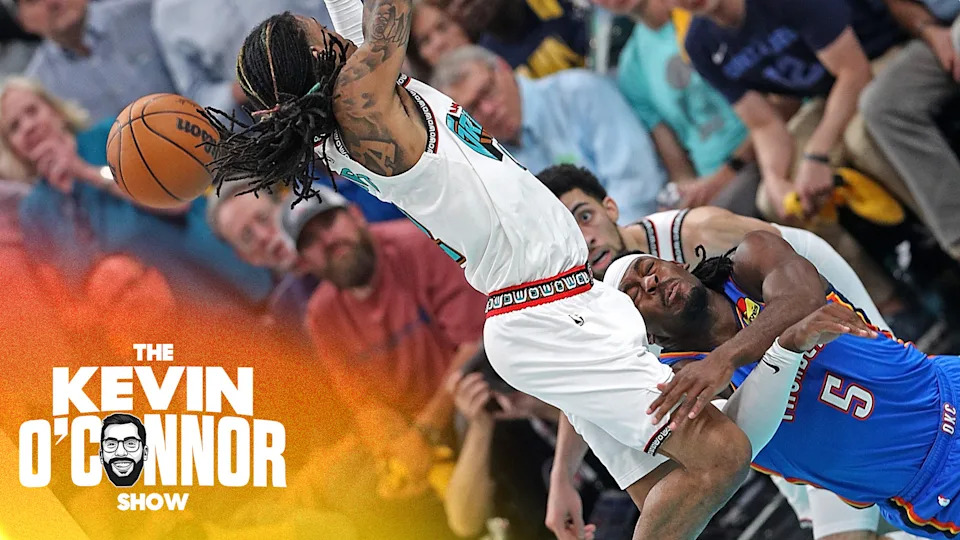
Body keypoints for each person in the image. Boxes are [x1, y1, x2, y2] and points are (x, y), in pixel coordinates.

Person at [202, 5, 835, 536]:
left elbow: (361, 20)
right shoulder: (363, 108)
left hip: (563, 295)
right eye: (324, 38)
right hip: (540, 309)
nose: (337, 33)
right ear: (320, 63)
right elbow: (386, 17)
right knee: (720, 456)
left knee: (669, 491)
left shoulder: (362, 93)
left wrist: (563, 475)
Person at [538, 164, 916, 540]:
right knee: (782, 458)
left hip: (798, 287)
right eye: (570, 234)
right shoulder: (600, 307)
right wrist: (562, 477)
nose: (585, 239)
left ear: (611, 208)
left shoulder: (696, 234)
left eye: (584, 217)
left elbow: (793, 278)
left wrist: (732, 355)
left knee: (885, 392)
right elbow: (587, 386)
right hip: (749, 362)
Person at [601, 241, 960, 540]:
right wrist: (783, 348)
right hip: (927, 486)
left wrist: (728, 357)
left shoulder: (750, 262)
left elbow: (803, 299)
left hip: (948, 386)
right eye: (634, 294)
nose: (649, 282)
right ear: (642, 332)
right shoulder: (680, 380)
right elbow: (729, 450)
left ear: (676, 262)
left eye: (649, 267)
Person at [283, 184, 486, 497]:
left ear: (357, 215)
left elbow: (473, 345)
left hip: (469, 397)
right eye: (309, 240)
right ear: (304, 263)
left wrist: (424, 434)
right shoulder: (320, 316)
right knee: (351, 490)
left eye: (328, 223)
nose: (327, 241)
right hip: (409, 430)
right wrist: (393, 452)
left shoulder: (420, 245)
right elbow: (363, 401)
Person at [0, 77, 273, 307]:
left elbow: (176, 201)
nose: (28, 126)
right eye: (14, 126)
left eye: (32, 111)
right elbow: (67, 301)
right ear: (12, 147)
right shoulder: (33, 211)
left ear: (56, 111)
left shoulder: (113, 135)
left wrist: (84, 172)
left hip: (220, 279)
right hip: (162, 330)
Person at [431, 45, 667, 223]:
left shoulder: (578, 94)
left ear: (503, 68)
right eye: (473, 109)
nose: (489, 110)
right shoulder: (489, 164)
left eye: (488, 91)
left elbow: (638, 186)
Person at [592, 0, 761, 215]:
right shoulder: (632, 68)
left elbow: (778, 108)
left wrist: (725, 175)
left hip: (760, 153)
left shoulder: (703, 11)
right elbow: (678, 165)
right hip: (712, 185)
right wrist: (684, 197)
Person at [444, 346, 633, 539]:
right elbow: (464, 523)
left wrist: (549, 406)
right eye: (500, 376)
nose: (511, 388)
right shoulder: (500, 430)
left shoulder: (585, 384)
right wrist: (480, 427)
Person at [859, 0, 960, 260]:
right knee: (880, 105)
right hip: (939, 32)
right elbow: (899, 4)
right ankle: (957, 236)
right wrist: (929, 30)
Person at [152, 0, 332, 115]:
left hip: (340, 74)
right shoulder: (167, 14)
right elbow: (198, 98)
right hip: (278, 125)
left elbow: (335, 8)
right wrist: (249, 85)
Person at [20, 0, 177, 121]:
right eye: (34, 0)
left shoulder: (147, 12)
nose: (52, 3)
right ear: (23, 21)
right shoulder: (38, 88)